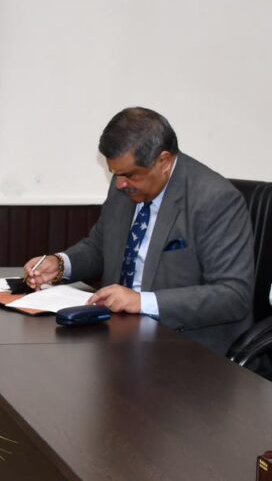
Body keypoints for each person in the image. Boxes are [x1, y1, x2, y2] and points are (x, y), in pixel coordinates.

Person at [24, 107, 254, 354]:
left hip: (188, 348)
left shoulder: (215, 200)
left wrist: (141, 302)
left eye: (130, 175)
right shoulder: (125, 183)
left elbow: (233, 295)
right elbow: (100, 246)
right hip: (120, 335)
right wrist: (61, 264)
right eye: (115, 174)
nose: (120, 184)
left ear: (164, 162)